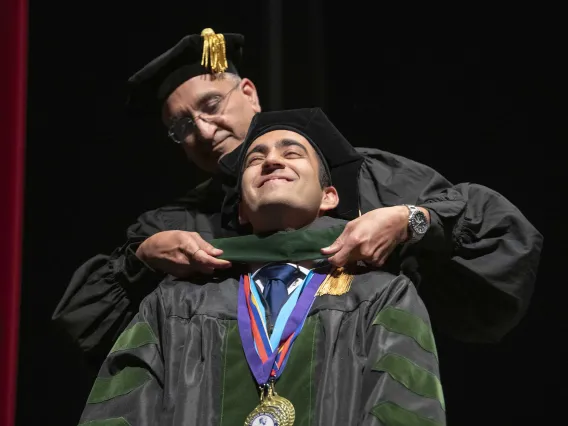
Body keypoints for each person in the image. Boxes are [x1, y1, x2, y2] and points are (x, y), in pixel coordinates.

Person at [53, 28, 543, 368]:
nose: (203, 130)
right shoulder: (174, 224)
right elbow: (94, 332)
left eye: (211, 105)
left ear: (249, 92)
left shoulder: (368, 178)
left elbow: (498, 236)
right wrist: (140, 260)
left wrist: (410, 219)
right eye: (181, 127)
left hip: (359, 385)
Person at [77, 108, 446, 426]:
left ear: (329, 197)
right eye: (256, 159)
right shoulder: (176, 304)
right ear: (240, 210)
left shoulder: (379, 296)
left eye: (293, 153)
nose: (272, 161)